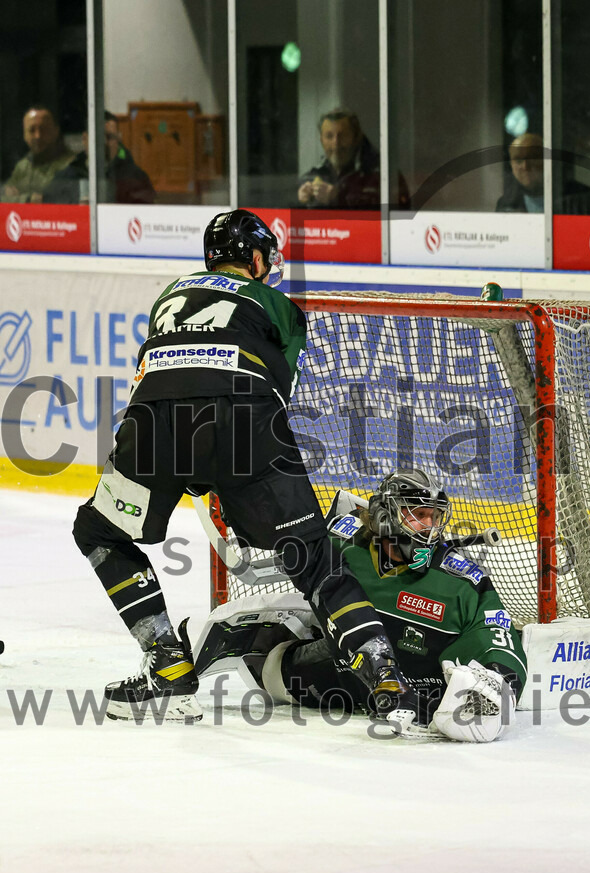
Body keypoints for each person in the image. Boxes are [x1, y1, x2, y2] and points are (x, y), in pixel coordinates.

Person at [72, 209, 428, 735]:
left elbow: (169, 367)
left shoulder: (169, 293)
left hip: (155, 418)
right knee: (311, 554)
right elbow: (279, 388)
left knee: (99, 530)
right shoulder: (277, 304)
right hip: (245, 417)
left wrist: (196, 464)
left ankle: (168, 664)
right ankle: (385, 675)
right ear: (258, 259)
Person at [191, 469, 527, 742]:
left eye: (434, 518)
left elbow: (498, 637)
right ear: (385, 515)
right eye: (418, 516)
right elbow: (293, 540)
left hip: (423, 701)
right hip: (338, 678)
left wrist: (500, 682)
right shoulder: (341, 548)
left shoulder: (461, 582)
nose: (429, 527)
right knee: (273, 670)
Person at [296, 108, 408, 210]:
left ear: (356, 137)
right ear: (321, 140)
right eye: (329, 136)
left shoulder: (382, 172)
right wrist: (302, 199)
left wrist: (339, 197)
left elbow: (399, 210)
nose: (336, 144)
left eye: (343, 136)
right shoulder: (315, 174)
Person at [43, 111, 156, 204]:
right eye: (98, 137)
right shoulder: (66, 178)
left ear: (118, 141)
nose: (104, 143)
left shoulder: (135, 179)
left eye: (110, 137)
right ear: (84, 139)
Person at [495, 132, 590, 215]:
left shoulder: (584, 198)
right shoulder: (506, 204)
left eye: (533, 158)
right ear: (511, 165)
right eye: (518, 160)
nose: (525, 166)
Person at [2, 106, 76, 203]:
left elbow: (49, 201)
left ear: (56, 131)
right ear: (24, 135)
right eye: (32, 130)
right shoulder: (23, 166)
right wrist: (29, 199)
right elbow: (4, 196)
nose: (38, 136)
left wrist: (19, 199)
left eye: (44, 129)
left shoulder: (70, 166)